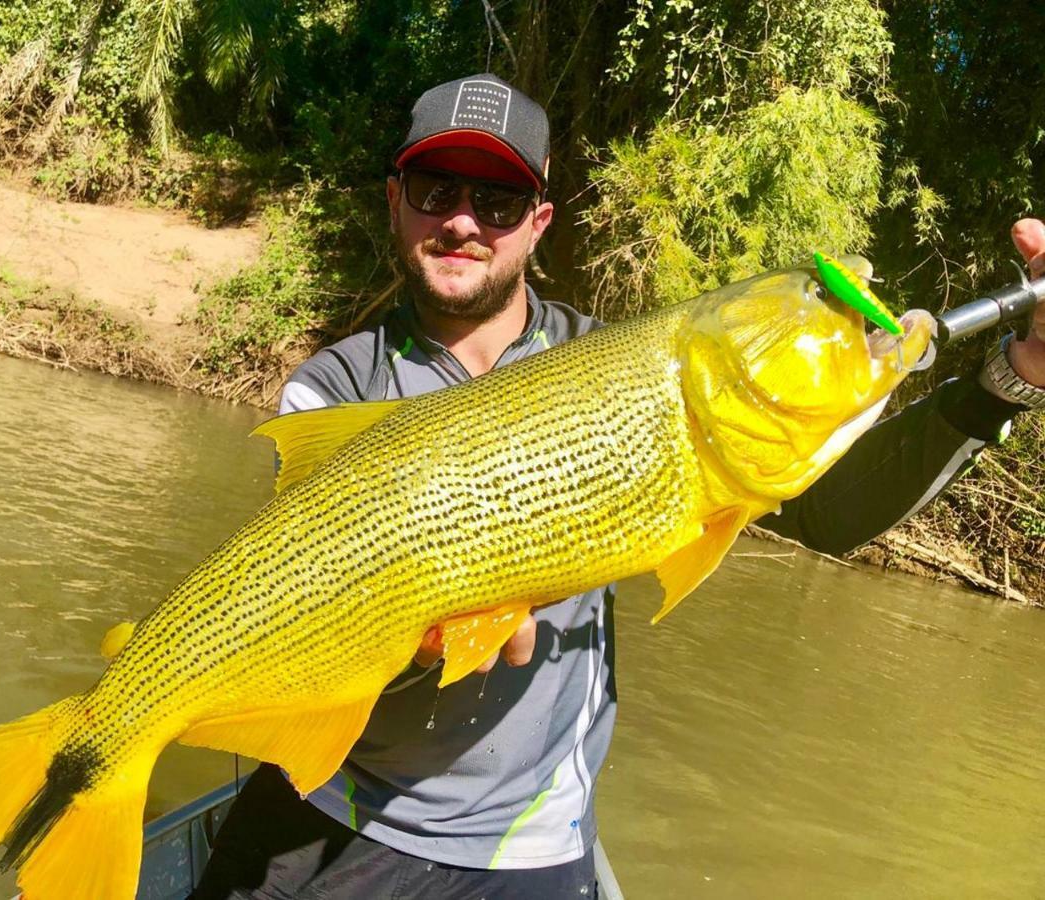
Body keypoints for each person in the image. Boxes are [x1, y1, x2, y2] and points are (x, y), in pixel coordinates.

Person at [193, 73, 1045, 899]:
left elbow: (830, 515)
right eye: (434, 187)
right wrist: (420, 649)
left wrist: (1013, 376)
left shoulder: (624, 366)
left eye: (495, 203)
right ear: (394, 199)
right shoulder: (330, 391)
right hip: (336, 818)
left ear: (538, 223)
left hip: (531, 847)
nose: (461, 221)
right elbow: (298, 619)